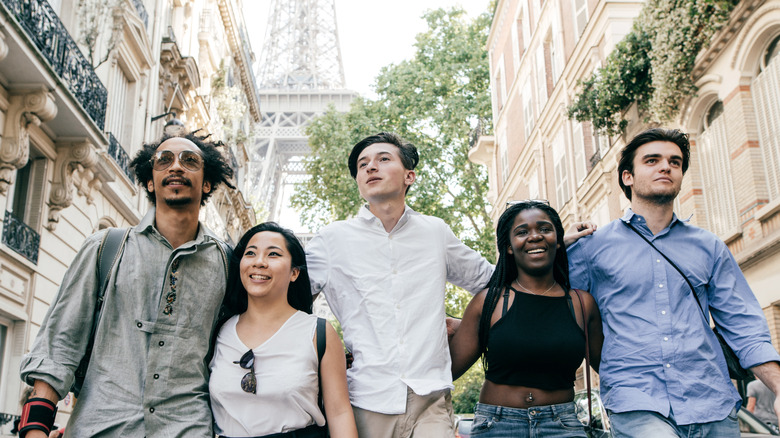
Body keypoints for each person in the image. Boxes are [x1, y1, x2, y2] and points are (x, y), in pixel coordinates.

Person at [19, 130, 235, 437]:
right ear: (150, 181)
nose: (176, 166)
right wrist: (35, 429)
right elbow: (60, 343)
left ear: (207, 182)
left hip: (188, 429)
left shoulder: (228, 263)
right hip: (101, 427)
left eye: (189, 161)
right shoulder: (104, 248)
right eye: (164, 160)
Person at [567, 128, 780, 437]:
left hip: (712, 401)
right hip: (637, 400)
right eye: (652, 160)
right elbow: (541, 297)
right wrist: (558, 243)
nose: (666, 166)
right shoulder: (592, 247)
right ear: (627, 177)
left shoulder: (708, 246)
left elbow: (743, 324)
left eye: (675, 162)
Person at [305, 132, 494, 437]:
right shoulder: (331, 240)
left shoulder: (435, 232)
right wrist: (328, 354)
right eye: (362, 164)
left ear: (410, 176)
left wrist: (548, 251)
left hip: (430, 400)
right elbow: (289, 302)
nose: (370, 167)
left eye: (383, 159)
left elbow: (490, 281)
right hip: (366, 399)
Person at [449, 200, 603, 437]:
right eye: (522, 232)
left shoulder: (582, 304)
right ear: (509, 246)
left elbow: (610, 367)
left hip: (562, 426)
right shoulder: (489, 302)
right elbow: (447, 370)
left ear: (558, 240)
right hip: (498, 426)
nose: (535, 237)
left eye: (544, 229)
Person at [209, 222, 358, 438]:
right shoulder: (219, 330)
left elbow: (340, 414)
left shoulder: (318, 333)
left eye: (273, 255)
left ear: (294, 273)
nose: (259, 262)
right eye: (251, 253)